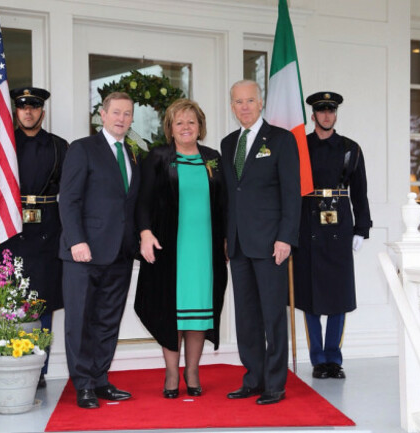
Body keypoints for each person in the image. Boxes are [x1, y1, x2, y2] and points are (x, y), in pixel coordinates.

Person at [135, 99, 228, 399]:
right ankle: (172, 373)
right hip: (170, 248)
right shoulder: (159, 157)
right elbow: (143, 200)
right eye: (179, 123)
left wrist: (226, 238)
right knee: (170, 310)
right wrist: (145, 232)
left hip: (205, 248)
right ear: (170, 129)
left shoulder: (213, 159)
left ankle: (193, 371)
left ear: (200, 126)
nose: (186, 127)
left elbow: (225, 203)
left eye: (191, 122)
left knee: (199, 312)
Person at [221, 80, 301, 405]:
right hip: (239, 245)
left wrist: (286, 238)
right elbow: (230, 195)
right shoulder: (228, 144)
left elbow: (291, 194)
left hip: (271, 244)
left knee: (272, 316)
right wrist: (228, 237)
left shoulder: (281, 140)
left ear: (261, 102)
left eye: (249, 100)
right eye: (238, 102)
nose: (244, 107)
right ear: (232, 106)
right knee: (247, 317)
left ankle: (275, 384)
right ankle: (253, 377)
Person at [58, 92, 140, 409]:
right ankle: (83, 385)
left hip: (120, 252)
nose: (121, 118)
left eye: (128, 113)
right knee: (80, 320)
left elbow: (128, 203)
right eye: (116, 112)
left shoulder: (132, 153)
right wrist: (77, 240)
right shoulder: (82, 149)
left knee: (108, 319)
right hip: (84, 252)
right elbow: (69, 199)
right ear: (102, 115)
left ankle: (101, 379)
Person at [292, 91, 372, 380]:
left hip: (339, 226)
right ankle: (318, 359)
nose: (326, 115)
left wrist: (361, 229)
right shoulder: (299, 147)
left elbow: (359, 193)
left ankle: (333, 360)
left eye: (331, 110)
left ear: (336, 114)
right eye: (321, 110)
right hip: (307, 223)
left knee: (338, 295)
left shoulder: (350, 148)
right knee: (310, 297)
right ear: (312, 115)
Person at [0, 86, 68, 388]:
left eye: (34, 106)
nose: (28, 112)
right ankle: (9, 365)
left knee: (42, 303)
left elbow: (72, 190)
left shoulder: (59, 146)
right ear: (15, 110)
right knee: (8, 300)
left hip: (48, 230)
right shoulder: (2, 143)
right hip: (11, 228)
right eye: (22, 106)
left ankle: (38, 369)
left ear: (42, 110)